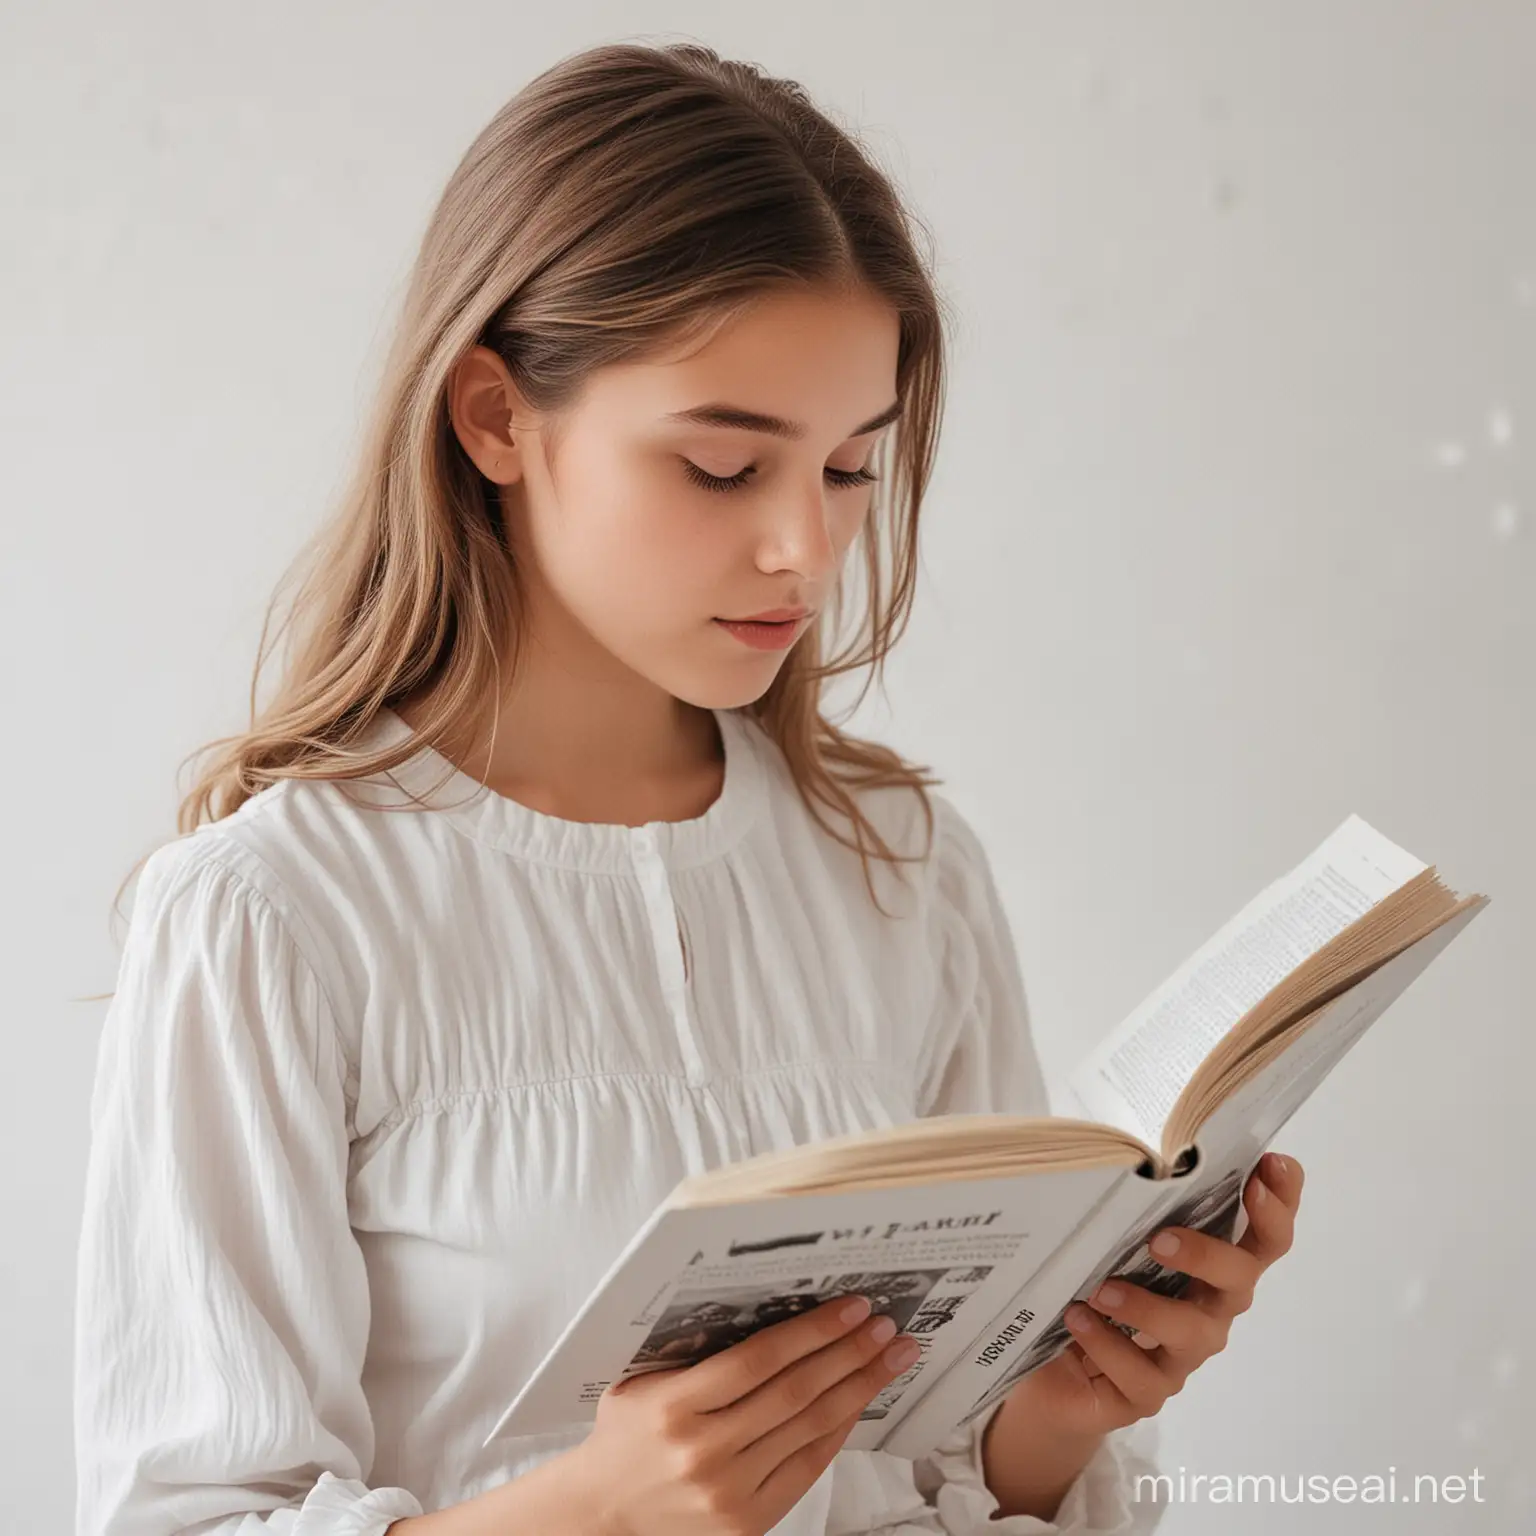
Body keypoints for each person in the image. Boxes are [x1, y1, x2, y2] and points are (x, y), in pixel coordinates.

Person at [72, 39, 1306, 1536]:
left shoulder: (904, 868)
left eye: (852, 468)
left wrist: (1055, 1420)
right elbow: (182, 1517)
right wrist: (600, 1510)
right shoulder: (277, 914)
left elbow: (943, 1482)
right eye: (725, 468)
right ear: (494, 418)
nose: (807, 546)